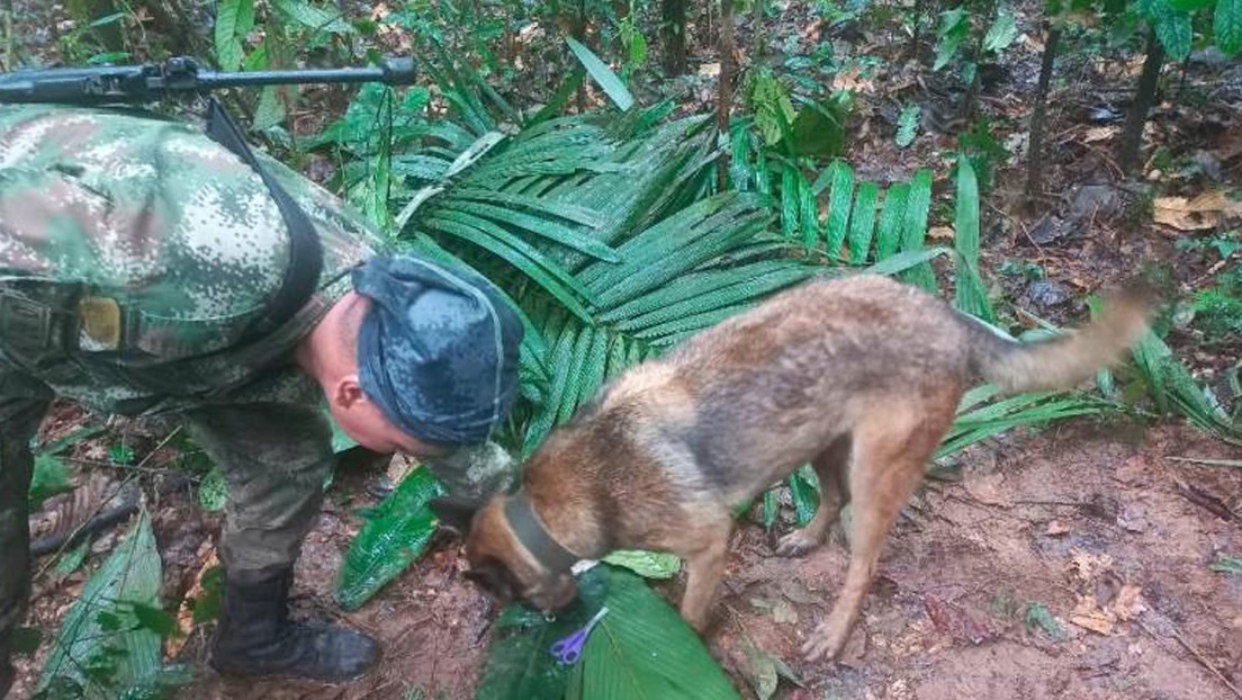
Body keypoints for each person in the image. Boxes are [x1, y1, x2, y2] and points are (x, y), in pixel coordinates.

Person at [0, 103, 524, 694]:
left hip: (172, 335)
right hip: (23, 293)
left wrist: (529, 530)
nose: (413, 452)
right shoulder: (193, 270)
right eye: (402, 444)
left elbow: (441, 433)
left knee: (285, 461)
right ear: (350, 392)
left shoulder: (381, 297)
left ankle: (252, 638)